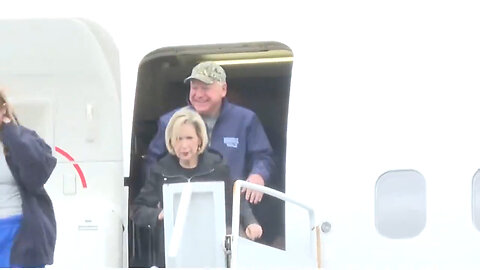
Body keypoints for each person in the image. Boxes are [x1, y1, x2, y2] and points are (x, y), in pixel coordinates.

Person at [146, 61, 275, 205]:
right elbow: (152, 162)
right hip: (182, 207)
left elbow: (263, 156)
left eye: (205, 88)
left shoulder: (245, 120)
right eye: (194, 88)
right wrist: (157, 197)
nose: (199, 94)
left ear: (223, 89)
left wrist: (258, 175)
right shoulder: (170, 122)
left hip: (232, 208)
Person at [134, 108, 263, 239]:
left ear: (200, 139)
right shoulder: (161, 169)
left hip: (214, 236)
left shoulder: (216, 166)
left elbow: (235, 198)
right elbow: (138, 209)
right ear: (171, 141)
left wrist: (250, 222)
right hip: (175, 240)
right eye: (178, 139)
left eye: (189, 138)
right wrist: (159, 215)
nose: (184, 145)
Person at [0, 89, 57, 268]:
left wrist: (10, 132)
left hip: (17, 230)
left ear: (2, 110)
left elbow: (38, 173)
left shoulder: (21, 138)